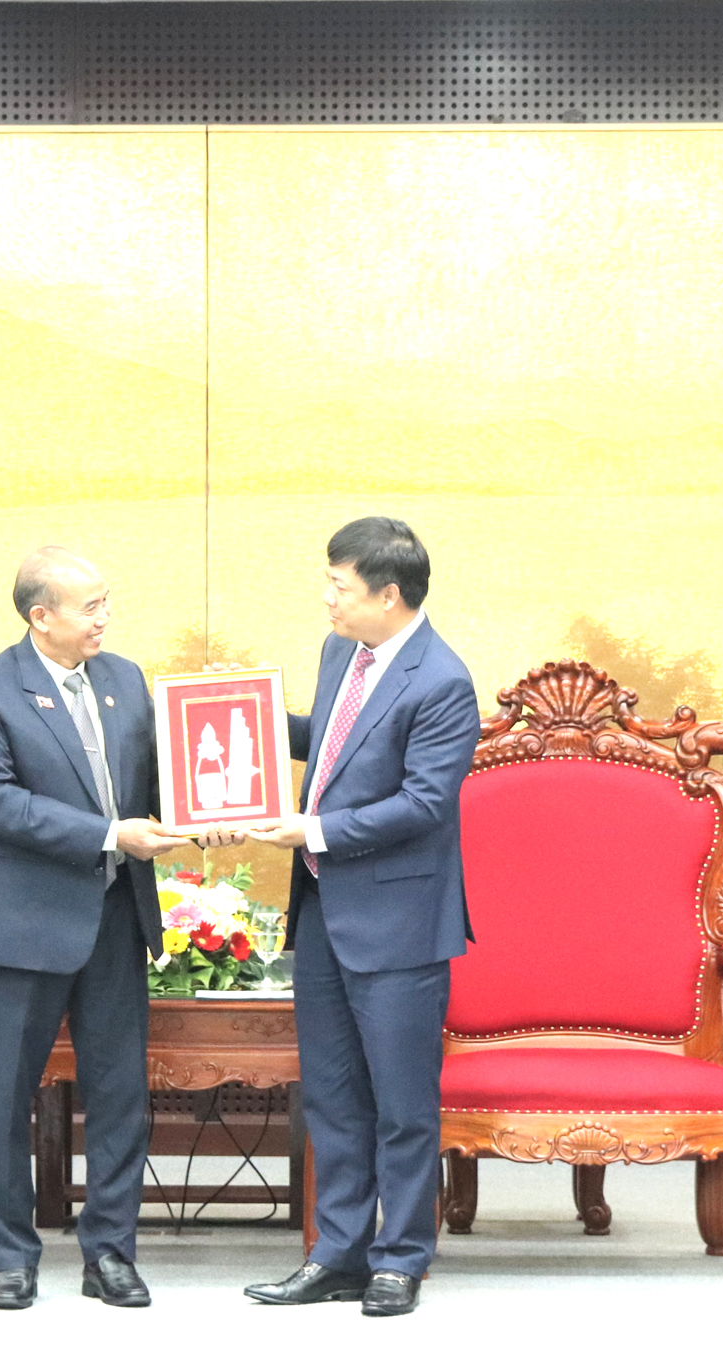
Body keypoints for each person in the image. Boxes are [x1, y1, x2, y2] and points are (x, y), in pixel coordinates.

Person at [240, 517, 481, 1317]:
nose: (327, 598)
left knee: (402, 1104)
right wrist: (234, 711)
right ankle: (336, 1253)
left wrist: (312, 830)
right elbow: (333, 746)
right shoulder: (341, 650)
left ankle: (400, 1257)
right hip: (323, 916)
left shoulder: (443, 681)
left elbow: (422, 802)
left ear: (389, 594)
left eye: (339, 586)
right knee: (333, 1098)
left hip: (400, 925)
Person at [0, 546, 187, 1311]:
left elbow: (164, 773)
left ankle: (110, 1252)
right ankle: (13, 1255)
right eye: (90, 608)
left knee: (119, 1095)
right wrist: (115, 834)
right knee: (6, 1094)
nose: (104, 620)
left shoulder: (123, 680)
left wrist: (216, 806)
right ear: (39, 617)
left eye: (107, 602)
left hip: (115, 921)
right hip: (22, 930)